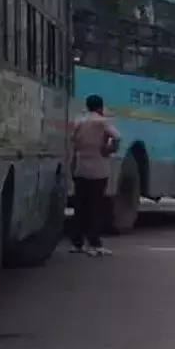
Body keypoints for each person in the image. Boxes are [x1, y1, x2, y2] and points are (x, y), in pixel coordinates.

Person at [70, 94, 120, 256]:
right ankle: (95, 243)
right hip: (99, 169)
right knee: (95, 207)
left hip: (81, 167)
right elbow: (117, 137)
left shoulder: (79, 121)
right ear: (100, 107)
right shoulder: (103, 122)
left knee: (80, 207)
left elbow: (73, 142)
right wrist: (109, 149)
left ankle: (77, 243)